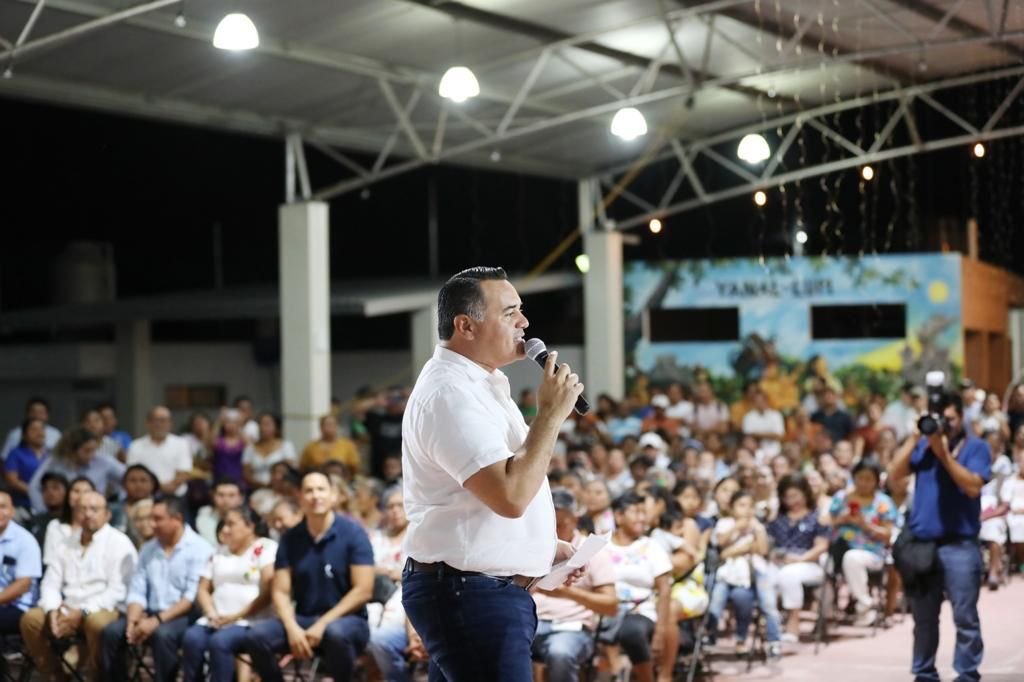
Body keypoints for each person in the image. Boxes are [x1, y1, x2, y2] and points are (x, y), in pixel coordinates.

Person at [399, 267, 583, 682]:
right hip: (468, 593)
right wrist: (550, 416)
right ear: (465, 326)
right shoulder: (450, 394)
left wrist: (541, 546)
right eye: (510, 312)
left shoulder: (481, 384)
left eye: (521, 310)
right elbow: (510, 495)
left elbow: (483, 496)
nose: (524, 322)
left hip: (473, 590)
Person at [888, 391, 990, 682]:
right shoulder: (921, 444)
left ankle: (967, 674)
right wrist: (913, 438)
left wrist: (943, 454)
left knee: (965, 617)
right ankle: (924, 673)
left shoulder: (976, 447)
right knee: (923, 619)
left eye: (950, 419)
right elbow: (894, 476)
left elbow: (972, 487)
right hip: (923, 546)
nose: (944, 425)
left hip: (960, 544)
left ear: (962, 417)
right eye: (938, 419)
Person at [241, 471, 375, 682]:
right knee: (256, 637)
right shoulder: (290, 538)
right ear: (300, 497)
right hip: (303, 619)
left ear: (333, 495)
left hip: (348, 620)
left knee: (335, 633)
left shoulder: (354, 534)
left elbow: (363, 591)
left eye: (321, 489)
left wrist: (323, 624)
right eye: (309, 490)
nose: (315, 495)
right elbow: (280, 591)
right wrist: (292, 628)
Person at [21, 491, 137, 682]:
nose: (88, 514)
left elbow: (118, 591)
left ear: (107, 514)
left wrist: (82, 611)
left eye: (94, 509)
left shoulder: (119, 543)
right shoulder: (66, 542)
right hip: (67, 609)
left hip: (104, 609)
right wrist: (52, 609)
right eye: (82, 509)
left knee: (96, 623)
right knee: (31, 620)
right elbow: (51, 582)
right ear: (74, 513)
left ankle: (97, 675)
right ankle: (56, 674)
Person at [100, 496, 213, 682]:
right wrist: (133, 619)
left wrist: (156, 621)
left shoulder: (200, 548)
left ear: (177, 519)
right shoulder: (148, 549)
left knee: (163, 635)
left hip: (184, 615)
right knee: (112, 633)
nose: (152, 524)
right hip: (150, 613)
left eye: (158, 519)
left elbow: (190, 598)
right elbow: (137, 589)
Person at [182, 506, 278, 682]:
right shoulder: (218, 551)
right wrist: (211, 612)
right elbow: (203, 589)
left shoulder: (265, 547)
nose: (225, 529)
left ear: (249, 527)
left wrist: (235, 616)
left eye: (231, 524)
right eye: (224, 524)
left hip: (251, 620)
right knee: (192, 638)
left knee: (220, 641)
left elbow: (268, 591)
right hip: (216, 619)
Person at [530, 488, 617, 682]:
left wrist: (566, 593)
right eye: (548, 523)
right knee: (504, 643)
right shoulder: (534, 546)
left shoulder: (593, 550)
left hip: (573, 627)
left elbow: (611, 605)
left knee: (560, 653)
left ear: (575, 520)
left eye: (560, 525)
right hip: (533, 622)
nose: (553, 530)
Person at [604, 492, 676, 682]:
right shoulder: (602, 546)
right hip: (604, 609)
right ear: (618, 516)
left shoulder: (651, 546)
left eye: (644, 512)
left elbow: (665, 590)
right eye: (636, 512)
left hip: (641, 610)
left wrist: (660, 631)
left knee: (631, 630)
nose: (642, 518)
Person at [766, 473, 829, 640]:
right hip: (780, 563)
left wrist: (800, 559)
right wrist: (776, 556)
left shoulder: (817, 517)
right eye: (787, 497)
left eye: (795, 495)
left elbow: (822, 546)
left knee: (789, 574)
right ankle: (770, 624)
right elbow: (768, 545)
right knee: (765, 577)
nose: (791, 501)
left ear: (805, 493)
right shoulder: (777, 519)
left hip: (809, 564)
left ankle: (793, 623)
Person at [27, 427, 125, 513]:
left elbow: (129, 477)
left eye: (94, 450)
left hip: (95, 512)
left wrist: (120, 500)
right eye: (87, 451)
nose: (92, 455)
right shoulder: (55, 462)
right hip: (63, 514)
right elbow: (33, 487)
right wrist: (43, 511)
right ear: (72, 450)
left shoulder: (104, 461)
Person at [0, 486, 42, 635]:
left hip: (18, 606)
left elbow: (23, 585)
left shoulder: (25, 541)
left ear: (12, 511)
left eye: (3, 507)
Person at [127, 406, 193, 496]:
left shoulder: (181, 443)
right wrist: (157, 488)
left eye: (163, 420)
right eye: (155, 420)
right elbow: (133, 474)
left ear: (170, 423)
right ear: (147, 423)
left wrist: (167, 487)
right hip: (145, 496)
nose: (159, 424)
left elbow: (184, 472)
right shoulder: (135, 445)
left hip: (175, 495)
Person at [4, 417, 50, 511]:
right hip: (23, 506)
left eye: (42, 429)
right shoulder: (15, 453)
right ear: (24, 434)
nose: (39, 433)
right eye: (34, 429)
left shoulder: (51, 454)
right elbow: (12, 481)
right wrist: (35, 493)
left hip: (49, 506)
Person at [242, 413, 296, 490]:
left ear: (276, 427)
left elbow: (289, 470)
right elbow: (246, 474)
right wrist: (263, 486)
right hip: (255, 489)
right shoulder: (250, 448)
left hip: (280, 490)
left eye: (267, 424)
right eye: (261, 424)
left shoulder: (286, 446)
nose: (263, 428)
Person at [196, 478, 244, 546]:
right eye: (221, 495)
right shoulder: (203, 518)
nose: (226, 500)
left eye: (231, 495)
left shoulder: (249, 519)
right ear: (212, 496)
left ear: (240, 498)